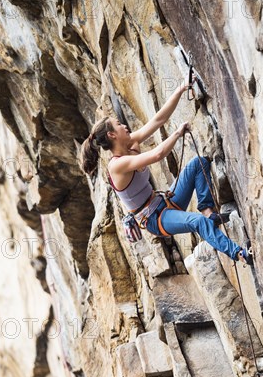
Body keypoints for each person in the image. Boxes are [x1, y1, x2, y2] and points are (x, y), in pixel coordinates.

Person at [79, 76, 252, 265]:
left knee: (198, 164)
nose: (124, 126)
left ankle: (208, 211)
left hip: (164, 201)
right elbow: (156, 155)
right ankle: (240, 254)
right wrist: (177, 134)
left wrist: (180, 89)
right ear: (112, 135)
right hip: (156, 219)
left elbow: (158, 120)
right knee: (197, 223)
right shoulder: (116, 166)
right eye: (119, 125)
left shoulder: (130, 143)